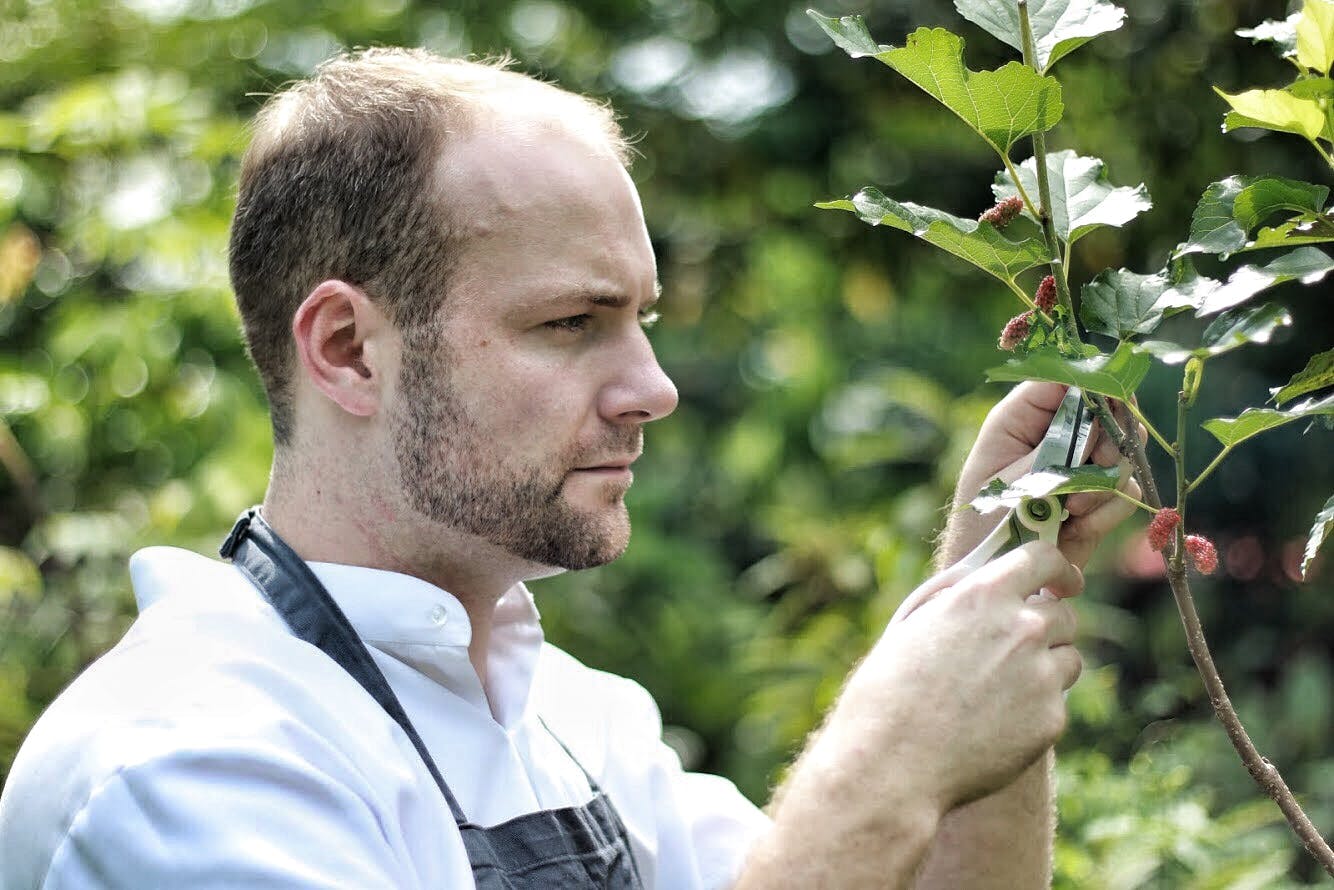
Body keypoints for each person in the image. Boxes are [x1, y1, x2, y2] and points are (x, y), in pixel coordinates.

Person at [0, 48, 1140, 889]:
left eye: (638, 317)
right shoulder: (182, 765)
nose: (653, 387)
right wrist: (883, 758)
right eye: (569, 323)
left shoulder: (578, 725)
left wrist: (993, 570)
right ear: (348, 350)